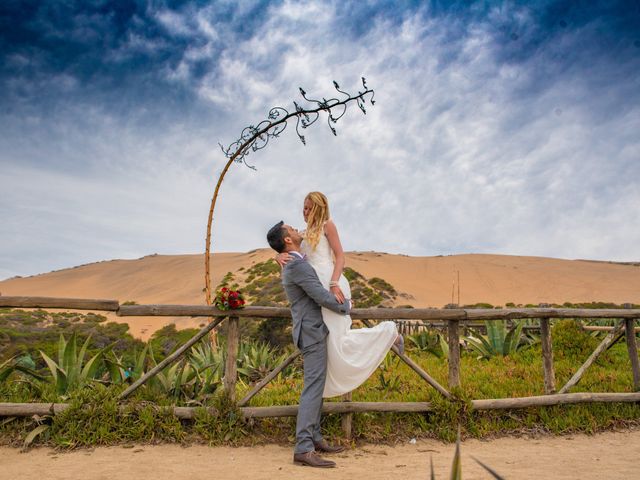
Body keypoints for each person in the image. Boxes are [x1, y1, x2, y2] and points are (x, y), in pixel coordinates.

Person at [276, 192, 403, 398]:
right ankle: (327, 385)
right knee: (330, 341)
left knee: (340, 339)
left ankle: (390, 334)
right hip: (314, 289)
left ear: (318, 208)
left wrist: (334, 283)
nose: (305, 211)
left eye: (309, 208)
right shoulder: (301, 232)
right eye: (304, 207)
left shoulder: (328, 225)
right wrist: (277, 255)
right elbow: (288, 246)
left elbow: (341, 256)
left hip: (331, 282)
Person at [267, 221, 349, 468]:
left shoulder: (293, 259)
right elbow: (320, 295)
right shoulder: (297, 265)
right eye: (292, 229)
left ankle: (314, 437)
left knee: (316, 385)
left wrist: (277, 257)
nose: (296, 229)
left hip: (311, 330)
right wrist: (345, 307)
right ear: (288, 239)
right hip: (311, 332)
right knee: (312, 388)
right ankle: (303, 448)